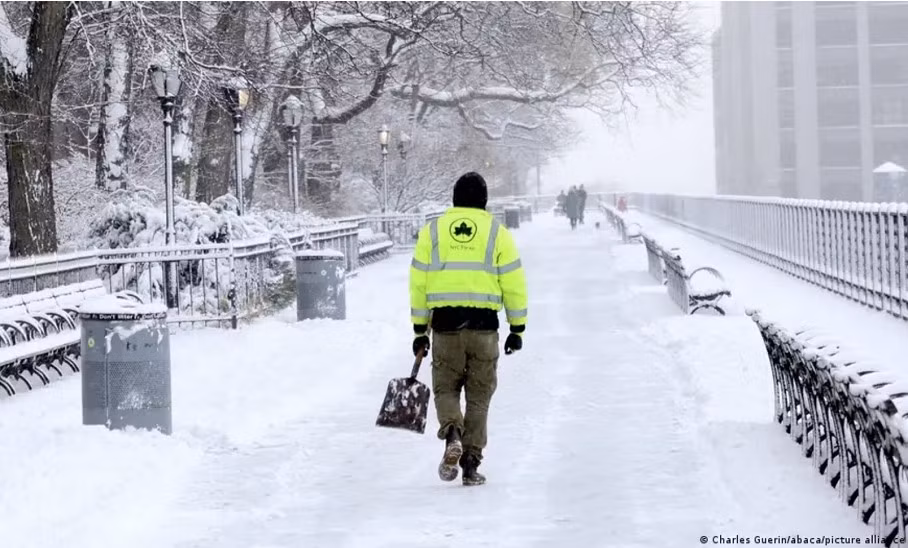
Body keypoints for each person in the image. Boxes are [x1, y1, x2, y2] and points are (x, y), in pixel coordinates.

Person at [410, 172, 528, 486]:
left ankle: (452, 434)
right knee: (479, 396)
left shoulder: (432, 231)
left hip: (445, 327)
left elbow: (418, 284)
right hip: (484, 328)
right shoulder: (497, 233)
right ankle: (471, 464)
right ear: (484, 200)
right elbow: (514, 283)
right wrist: (517, 327)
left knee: (446, 388)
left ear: (454, 199)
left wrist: (420, 330)